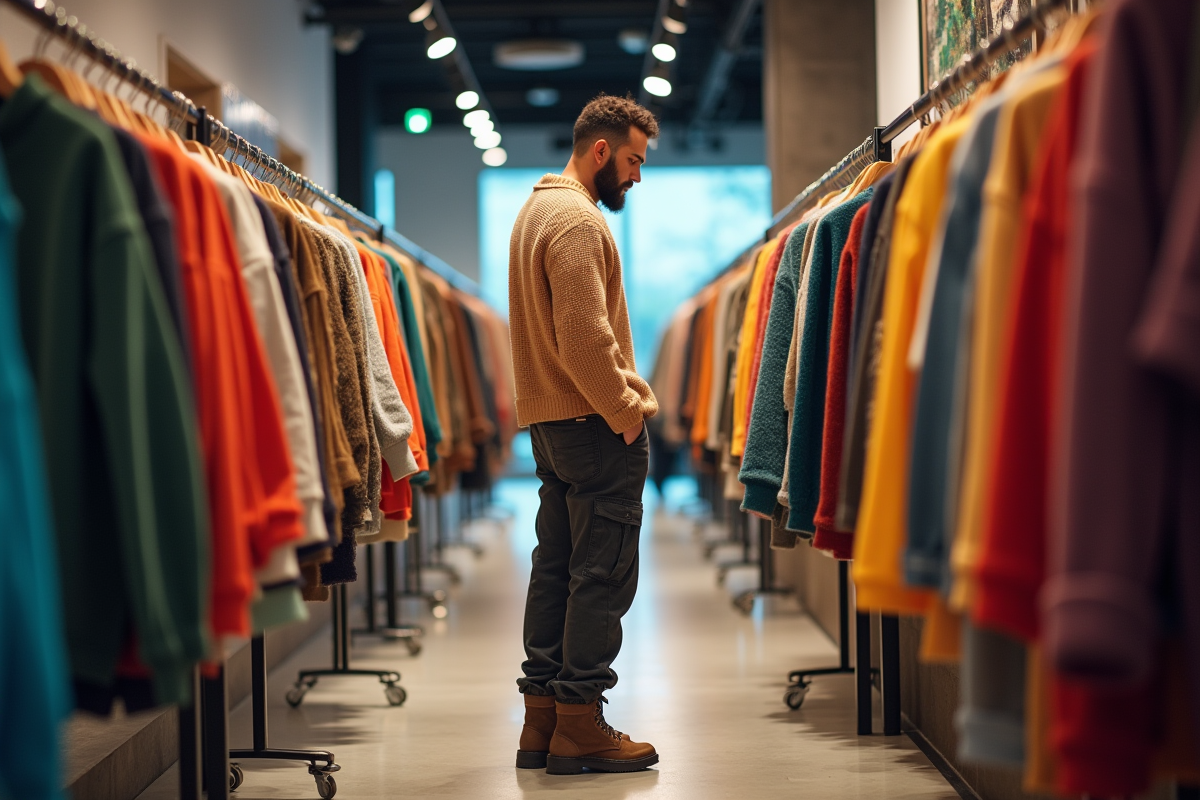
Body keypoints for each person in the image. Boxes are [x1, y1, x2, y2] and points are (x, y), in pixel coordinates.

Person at [507, 94, 661, 775]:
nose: (635, 176)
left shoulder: (535, 209)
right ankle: (580, 723)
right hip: (591, 422)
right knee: (603, 570)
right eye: (631, 161)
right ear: (600, 150)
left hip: (549, 422)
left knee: (557, 567)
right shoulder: (574, 220)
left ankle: (541, 721)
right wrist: (626, 412)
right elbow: (583, 339)